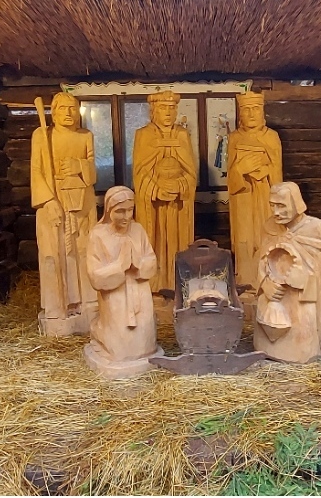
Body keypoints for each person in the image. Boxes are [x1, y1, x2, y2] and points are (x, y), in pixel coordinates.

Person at [31, 92, 97, 335]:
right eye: (63, 108)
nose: (69, 113)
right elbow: (36, 170)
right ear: (54, 112)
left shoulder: (85, 136)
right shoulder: (42, 135)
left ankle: (87, 302)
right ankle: (56, 306)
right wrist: (48, 201)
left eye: (73, 108)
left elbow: (93, 172)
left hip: (81, 201)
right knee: (53, 252)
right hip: (53, 200)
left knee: (83, 250)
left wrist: (79, 166)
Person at [254, 182, 321, 363]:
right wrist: (265, 283)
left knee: (304, 323)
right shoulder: (269, 226)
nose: (276, 212)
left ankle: (304, 351)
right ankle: (267, 348)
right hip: (274, 293)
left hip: (303, 296)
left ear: (296, 203)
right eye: (272, 205)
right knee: (266, 307)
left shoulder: (315, 228)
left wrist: (305, 280)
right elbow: (260, 260)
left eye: (281, 206)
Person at [84, 186, 160, 378]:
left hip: (140, 292)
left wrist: (138, 264)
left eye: (130, 210)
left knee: (146, 343)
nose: (126, 216)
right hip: (115, 295)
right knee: (120, 350)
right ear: (109, 211)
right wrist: (120, 266)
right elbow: (94, 275)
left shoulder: (138, 230)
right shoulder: (98, 235)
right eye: (120, 211)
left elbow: (151, 260)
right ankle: (100, 333)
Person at [132, 91, 197, 292]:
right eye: (163, 108)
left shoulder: (182, 135)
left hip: (177, 203)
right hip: (154, 203)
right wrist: (155, 189)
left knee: (178, 241)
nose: (168, 112)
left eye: (172, 108)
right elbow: (139, 172)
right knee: (155, 241)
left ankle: (178, 283)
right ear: (153, 111)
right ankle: (155, 284)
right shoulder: (144, 135)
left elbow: (191, 171)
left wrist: (181, 185)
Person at [227, 91, 283, 286]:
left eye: (256, 109)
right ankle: (245, 280)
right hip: (243, 195)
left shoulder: (272, 137)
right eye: (246, 109)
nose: (251, 114)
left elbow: (277, 172)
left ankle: (268, 279)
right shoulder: (234, 138)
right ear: (240, 113)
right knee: (244, 238)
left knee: (266, 234)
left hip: (266, 194)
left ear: (262, 111)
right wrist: (240, 170)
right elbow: (230, 175)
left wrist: (266, 170)